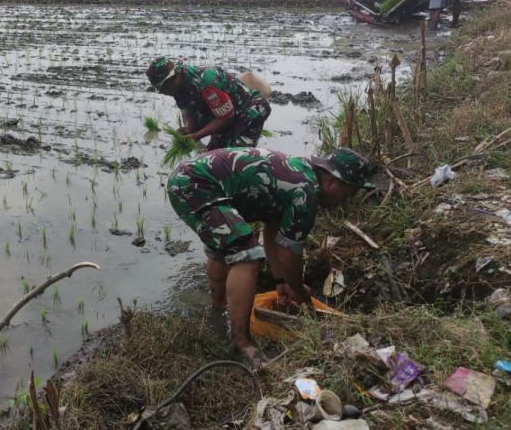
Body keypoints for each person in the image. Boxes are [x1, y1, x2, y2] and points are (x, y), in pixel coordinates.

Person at [166, 146, 375, 368]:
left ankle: (219, 311)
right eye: (345, 196)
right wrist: (299, 290)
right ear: (332, 181)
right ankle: (241, 343)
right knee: (246, 254)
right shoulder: (306, 193)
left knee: (226, 245)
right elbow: (289, 255)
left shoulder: (300, 172)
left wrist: (280, 281)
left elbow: (273, 229)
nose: (342, 203)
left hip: (189, 179)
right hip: (196, 186)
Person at [146, 57, 271, 150]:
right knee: (210, 159)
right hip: (223, 116)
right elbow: (186, 111)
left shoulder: (206, 84)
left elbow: (226, 117)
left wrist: (196, 136)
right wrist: (188, 128)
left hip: (247, 112)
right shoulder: (177, 88)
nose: (161, 92)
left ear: (173, 79)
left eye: (162, 87)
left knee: (236, 158)